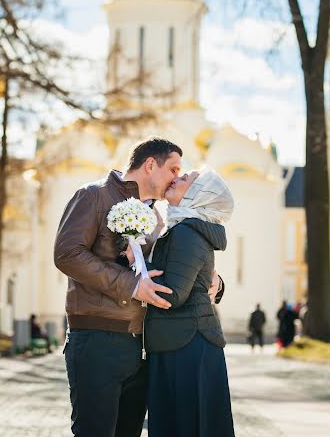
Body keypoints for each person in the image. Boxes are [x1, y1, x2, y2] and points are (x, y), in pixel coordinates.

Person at [54, 137, 223, 437]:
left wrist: (213, 281)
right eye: (173, 169)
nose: (176, 177)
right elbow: (66, 254)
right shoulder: (93, 196)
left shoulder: (158, 219)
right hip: (96, 339)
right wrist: (130, 286)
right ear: (149, 165)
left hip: (141, 348)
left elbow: (172, 269)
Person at [139, 167, 235, 437]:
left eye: (184, 179)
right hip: (184, 341)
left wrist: (136, 271)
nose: (176, 178)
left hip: (186, 345)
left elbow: (174, 294)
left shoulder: (186, 232)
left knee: (185, 425)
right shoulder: (183, 228)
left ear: (197, 195)